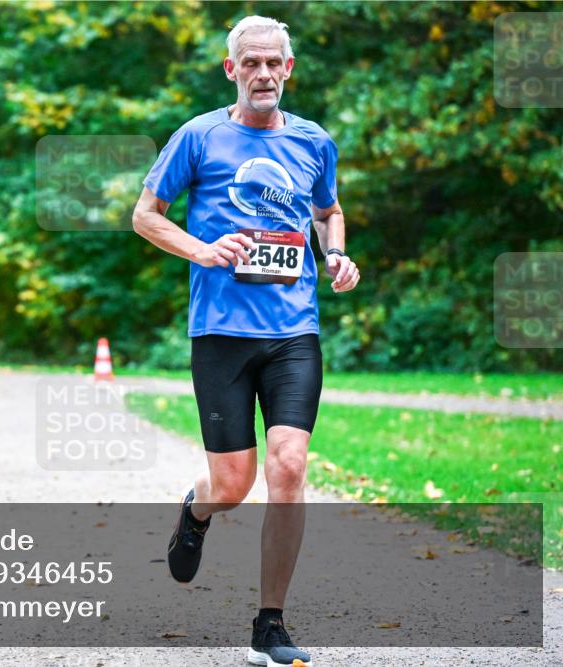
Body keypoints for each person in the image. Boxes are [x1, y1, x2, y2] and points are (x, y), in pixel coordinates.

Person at [132, 16, 360, 667]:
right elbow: (145, 216)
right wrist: (202, 249)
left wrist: (336, 253)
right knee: (232, 485)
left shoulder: (313, 141)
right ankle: (197, 511)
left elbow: (327, 211)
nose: (264, 73)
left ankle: (270, 624)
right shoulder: (199, 136)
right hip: (221, 335)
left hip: (294, 332)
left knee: (288, 465)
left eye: (273, 62)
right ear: (231, 69)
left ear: (289, 69)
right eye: (251, 63)